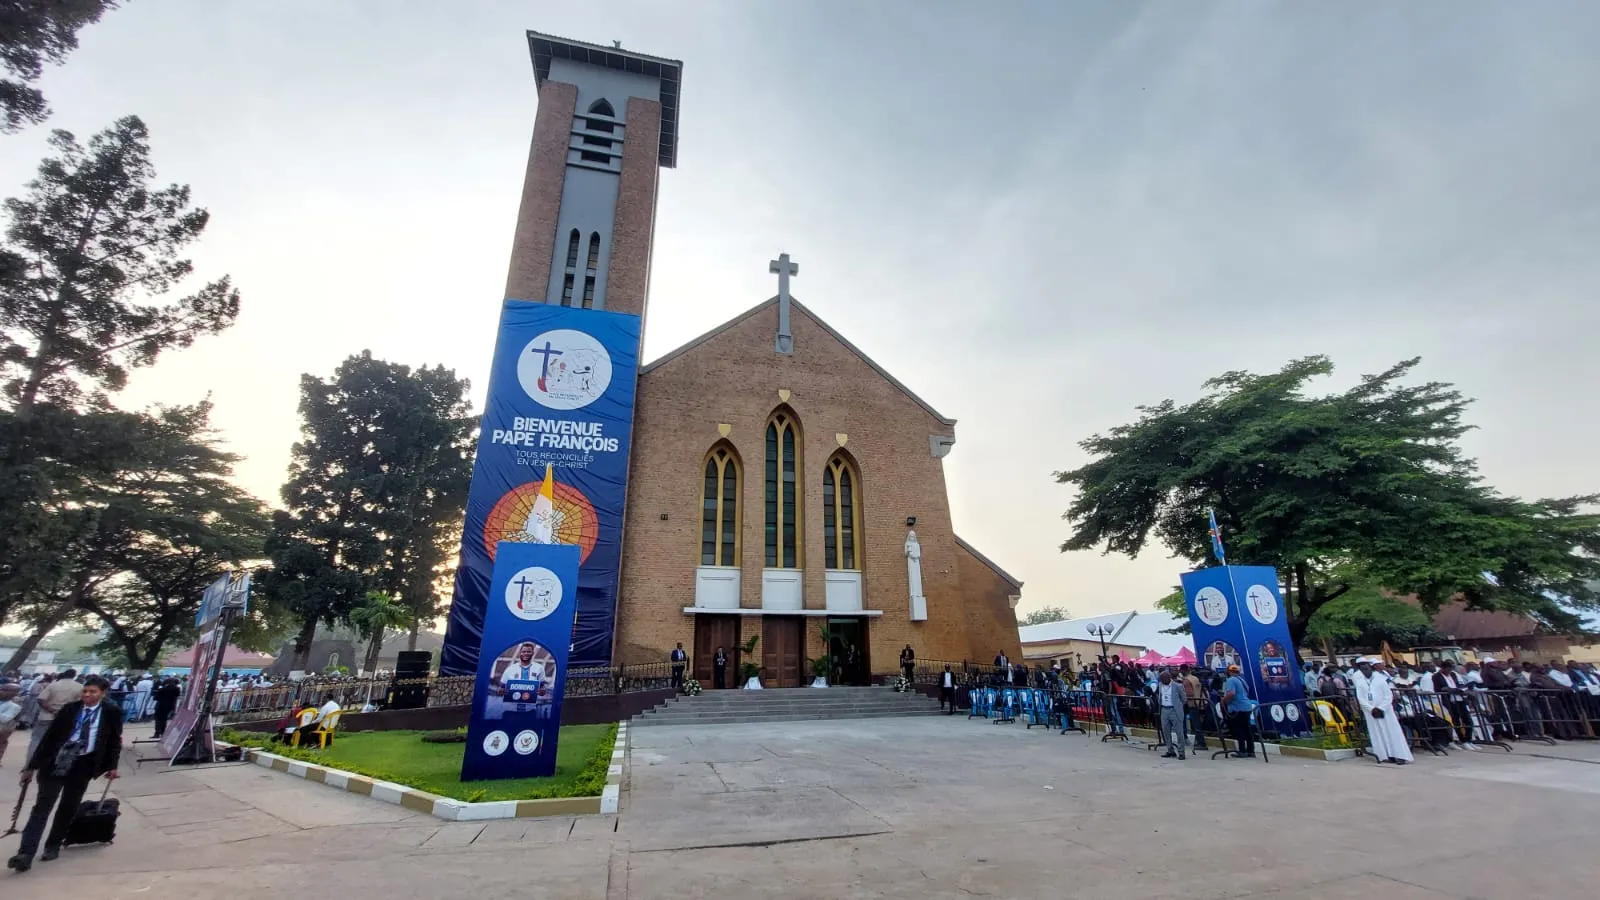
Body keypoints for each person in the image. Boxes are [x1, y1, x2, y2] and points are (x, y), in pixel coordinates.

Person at [8, 674, 123, 873]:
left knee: (68, 807)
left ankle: (53, 845)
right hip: (56, 762)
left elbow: (114, 740)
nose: (87, 695)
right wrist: (31, 766)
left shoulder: (112, 712)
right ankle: (25, 853)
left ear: (103, 694)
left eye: (92, 692)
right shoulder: (70, 710)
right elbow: (49, 738)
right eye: (85, 691)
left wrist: (112, 766)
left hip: (83, 764)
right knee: (42, 807)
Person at [1352, 659, 1411, 764]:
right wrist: (1371, 709)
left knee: (1392, 732)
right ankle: (1385, 755)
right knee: (1377, 733)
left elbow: (1388, 696)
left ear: (1371, 668)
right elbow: (1361, 698)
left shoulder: (1380, 679)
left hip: (1385, 711)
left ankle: (1400, 755)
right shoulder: (1360, 682)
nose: (1365, 671)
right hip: (1371, 712)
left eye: (1366, 668)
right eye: (1362, 669)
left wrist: (1381, 708)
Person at [27, 669, 81, 764]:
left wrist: (52, 710)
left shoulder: (53, 685)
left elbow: (41, 699)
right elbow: (79, 704)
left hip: (46, 716)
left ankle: (30, 763)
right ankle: (51, 764)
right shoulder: (79, 687)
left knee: (37, 740)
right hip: (66, 719)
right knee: (59, 741)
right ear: (74, 676)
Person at [1220, 664, 1257, 757]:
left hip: (1237, 708)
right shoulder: (1242, 680)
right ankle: (1251, 751)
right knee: (1247, 730)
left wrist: (1223, 700)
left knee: (1239, 730)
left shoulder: (1231, 680)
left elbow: (1231, 693)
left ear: (1228, 672)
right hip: (1247, 707)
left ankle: (1242, 750)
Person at [1156, 671, 1186, 760]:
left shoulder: (1178, 686)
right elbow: (1160, 696)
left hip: (1174, 710)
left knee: (1179, 732)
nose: (1162, 681)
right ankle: (1170, 750)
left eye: (1163, 679)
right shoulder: (1160, 685)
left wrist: (1178, 706)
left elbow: (1183, 698)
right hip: (1164, 709)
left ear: (1169, 678)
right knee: (1166, 731)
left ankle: (1181, 752)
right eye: (1161, 680)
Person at [1179, 664, 1208, 751]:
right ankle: (1200, 742)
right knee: (1198, 723)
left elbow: (1189, 693)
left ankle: (1201, 743)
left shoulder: (1186, 681)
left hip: (1191, 704)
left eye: (1181, 670)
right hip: (1199, 702)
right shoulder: (1195, 678)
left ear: (1183, 670)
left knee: (1195, 724)